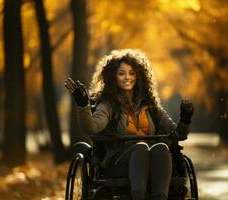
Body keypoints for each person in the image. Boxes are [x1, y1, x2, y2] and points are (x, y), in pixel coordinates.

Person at [64, 49, 194, 200]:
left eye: (132, 73)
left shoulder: (150, 106)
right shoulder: (108, 104)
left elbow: (178, 135)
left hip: (151, 162)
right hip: (118, 164)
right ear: (113, 77)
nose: (127, 77)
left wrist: (185, 118)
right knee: (141, 146)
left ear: (139, 76)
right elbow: (91, 127)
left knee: (161, 147)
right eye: (121, 73)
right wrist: (82, 105)